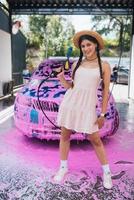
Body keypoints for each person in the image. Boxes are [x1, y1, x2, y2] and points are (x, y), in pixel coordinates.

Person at [53, 30, 113, 189]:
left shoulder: (104, 65)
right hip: (70, 104)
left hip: (88, 107)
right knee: (65, 136)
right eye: (83, 46)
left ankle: (107, 172)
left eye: (88, 45)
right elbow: (71, 86)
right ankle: (63, 168)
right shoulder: (76, 64)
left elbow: (106, 91)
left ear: (95, 45)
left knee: (95, 140)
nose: (86, 48)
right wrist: (61, 77)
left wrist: (102, 114)